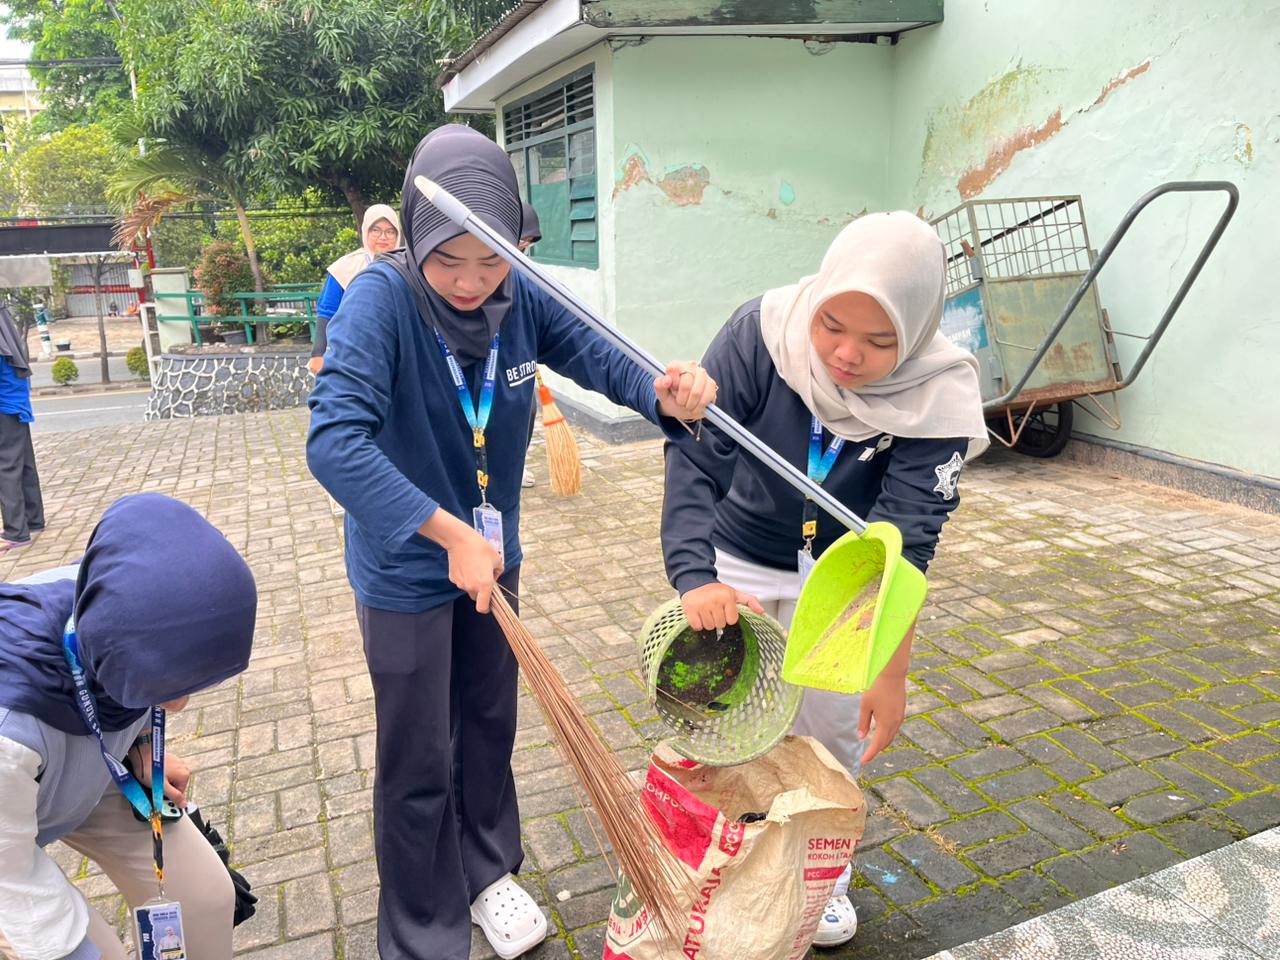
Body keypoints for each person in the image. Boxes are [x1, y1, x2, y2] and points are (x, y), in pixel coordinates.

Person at [307, 124, 716, 960]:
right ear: (414, 240)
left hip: (494, 559)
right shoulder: (379, 304)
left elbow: (602, 355)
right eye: (447, 260)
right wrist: (446, 529)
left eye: (489, 258)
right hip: (408, 568)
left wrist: (663, 392)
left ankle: (488, 872)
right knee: (419, 751)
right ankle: (423, 920)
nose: (469, 281)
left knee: (489, 722)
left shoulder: (519, 293)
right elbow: (332, 443)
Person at [661, 212, 987, 948]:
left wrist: (891, 670)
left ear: (918, 328)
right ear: (815, 300)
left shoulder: (939, 390)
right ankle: (718, 859)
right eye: (832, 325)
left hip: (847, 581)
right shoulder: (759, 333)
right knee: (724, 714)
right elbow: (695, 457)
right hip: (738, 556)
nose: (846, 354)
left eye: (879, 342)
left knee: (830, 729)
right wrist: (694, 576)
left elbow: (907, 543)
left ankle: (823, 875)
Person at [0, 493, 258, 960]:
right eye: (165, 686)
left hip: (84, 770)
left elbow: (120, 682)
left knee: (204, 899)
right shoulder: (7, 728)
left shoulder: (114, 601)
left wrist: (139, 748)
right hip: (7, 825)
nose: (178, 705)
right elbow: (10, 876)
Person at [308, 204, 402, 375]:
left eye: (390, 231)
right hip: (352, 351)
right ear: (366, 231)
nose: (383, 237)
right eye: (376, 230)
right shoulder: (345, 267)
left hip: (397, 351)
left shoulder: (406, 265)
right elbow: (327, 310)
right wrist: (318, 354)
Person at [0, 301, 43, 552]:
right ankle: (34, 519)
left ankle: (16, 532)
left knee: (6, 467)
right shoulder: (6, 327)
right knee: (24, 462)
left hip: (4, 406)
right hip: (16, 402)